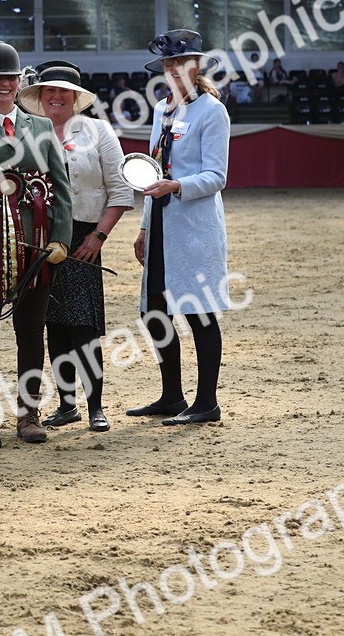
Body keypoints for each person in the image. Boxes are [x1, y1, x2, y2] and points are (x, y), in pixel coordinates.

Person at [0, 41, 72, 448]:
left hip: (35, 245)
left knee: (31, 331)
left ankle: (28, 413)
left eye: (10, 77)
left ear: (20, 82)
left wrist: (60, 238)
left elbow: (61, 188)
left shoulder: (41, 128)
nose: (4, 84)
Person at [18, 61, 134, 433]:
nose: (56, 96)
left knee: (84, 326)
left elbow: (121, 191)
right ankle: (67, 405)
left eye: (63, 91)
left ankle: (96, 405)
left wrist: (98, 236)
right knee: (53, 324)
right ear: (40, 96)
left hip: (85, 238)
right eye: (49, 90)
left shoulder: (99, 131)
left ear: (75, 97)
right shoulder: (26, 132)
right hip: (40, 238)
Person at [126, 29, 232, 425]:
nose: (174, 69)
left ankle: (207, 402)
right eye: (169, 63)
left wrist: (177, 186)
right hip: (160, 223)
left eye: (181, 62)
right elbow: (153, 170)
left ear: (196, 66)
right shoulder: (161, 109)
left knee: (199, 312)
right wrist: (143, 226)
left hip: (194, 226)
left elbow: (217, 175)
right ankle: (171, 395)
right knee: (155, 311)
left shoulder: (211, 111)